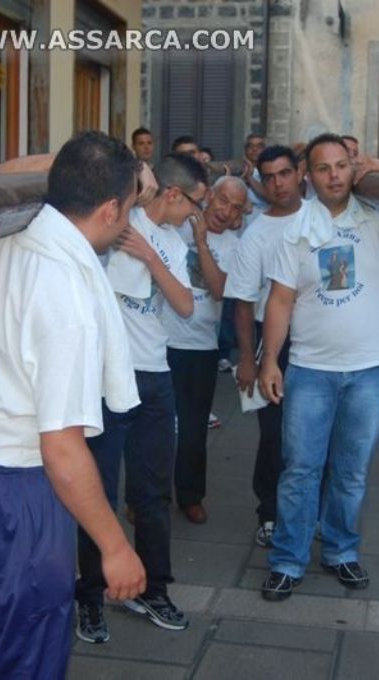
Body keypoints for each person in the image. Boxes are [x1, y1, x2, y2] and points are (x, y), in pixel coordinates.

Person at [0, 131, 148, 679]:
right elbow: (61, 448)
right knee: (29, 651)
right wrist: (115, 546)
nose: (129, 222)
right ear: (108, 210)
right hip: (17, 490)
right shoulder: (66, 297)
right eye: (128, 209)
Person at [257, 134, 379, 601]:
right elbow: (280, 300)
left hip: (367, 372)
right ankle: (288, 560)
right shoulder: (292, 230)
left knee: (352, 471)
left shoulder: (377, 220)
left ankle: (340, 551)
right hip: (310, 370)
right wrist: (269, 359)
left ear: (353, 169)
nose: (333, 175)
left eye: (341, 165)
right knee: (300, 471)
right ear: (307, 176)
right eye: (323, 167)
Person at [75, 153, 206, 643]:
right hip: (107, 376)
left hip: (153, 377)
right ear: (172, 194)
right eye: (193, 202)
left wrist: (150, 258)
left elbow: (187, 305)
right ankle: (89, 596)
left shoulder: (167, 241)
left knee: (152, 493)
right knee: (98, 493)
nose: (195, 213)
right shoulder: (112, 224)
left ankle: (153, 589)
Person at [224, 144, 305, 548]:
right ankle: (269, 512)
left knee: (315, 432)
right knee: (274, 435)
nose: (278, 184)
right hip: (274, 342)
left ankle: (312, 513)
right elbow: (241, 302)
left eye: (285, 174)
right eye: (269, 177)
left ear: (299, 173)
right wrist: (247, 359)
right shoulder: (256, 234)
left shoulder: (322, 217)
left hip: (323, 343)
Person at [161, 176, 248, 525]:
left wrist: (202, 243)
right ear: (209, 195)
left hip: (201, 347)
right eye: (222, 200)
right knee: (155, 427)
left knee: (195, 429)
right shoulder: (174, 224)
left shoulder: (234, 244)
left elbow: (218, 289)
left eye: (236, 207)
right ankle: (147, 497)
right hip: (160, 341)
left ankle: (190, 496)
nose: (225, 211)